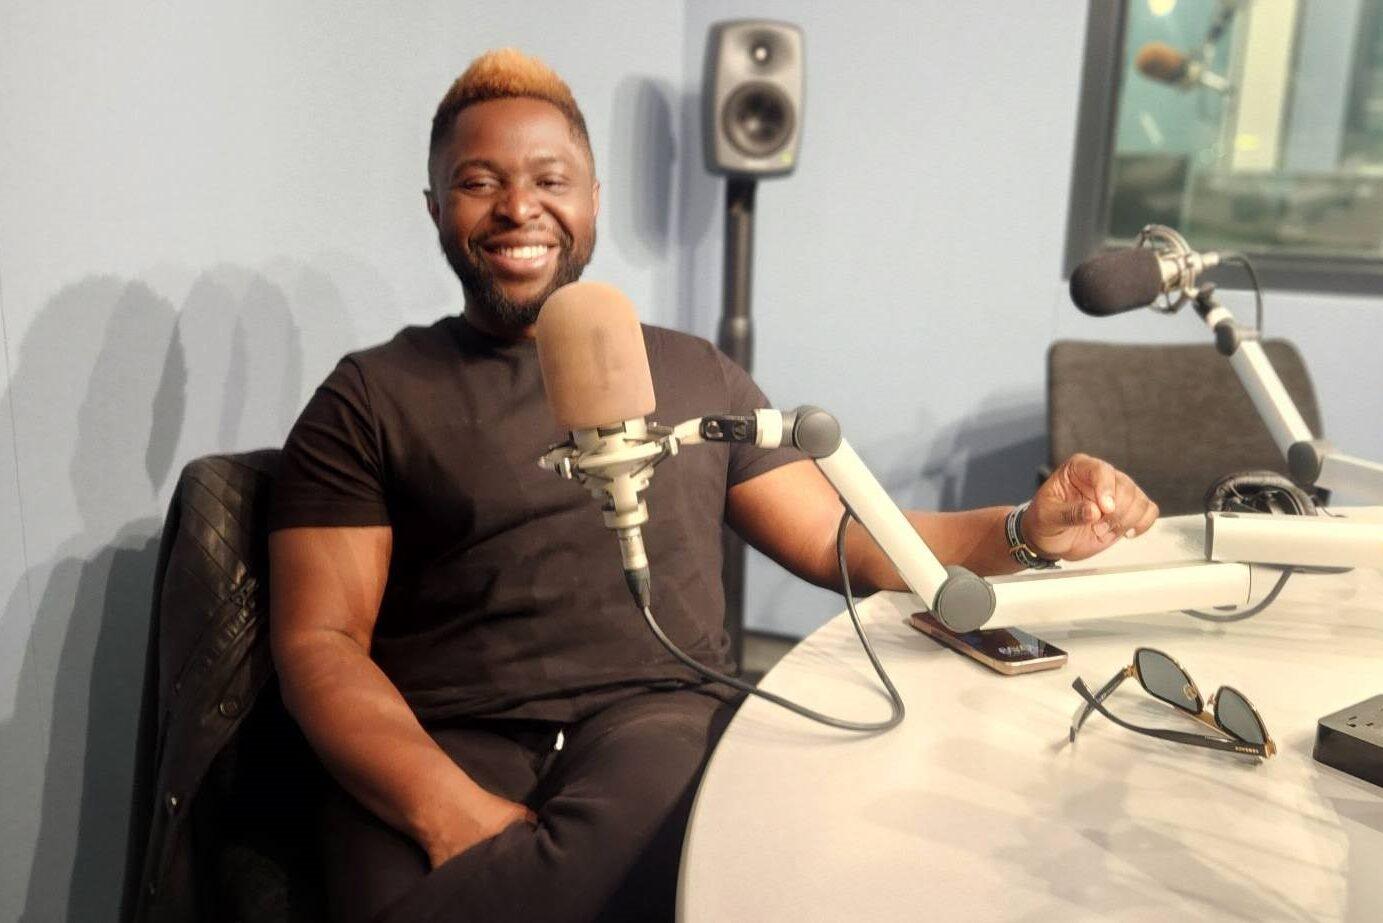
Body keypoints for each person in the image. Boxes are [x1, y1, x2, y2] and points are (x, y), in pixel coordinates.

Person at [268, 48, 1159, 923]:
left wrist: (1024, 532)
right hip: (442, 735)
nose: (518, 208)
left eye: (550, 179)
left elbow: (838, 537)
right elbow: (320, 638)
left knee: (670, 831)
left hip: (650, 719)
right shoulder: (370, 395)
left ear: (590, 202)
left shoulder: (693, 375)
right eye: (477, 182)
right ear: (434, 207)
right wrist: (441, 806)